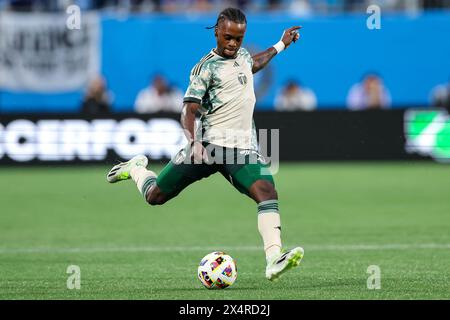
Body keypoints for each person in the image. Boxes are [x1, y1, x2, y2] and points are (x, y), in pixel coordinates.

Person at [107, 8, 304, 281]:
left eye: (239, 38)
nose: (233, 43)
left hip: (241, 149)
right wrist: (193, 142)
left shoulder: (243, 56)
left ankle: (273, 260)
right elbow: (188, 110)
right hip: (208, 148)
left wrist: (281, 44)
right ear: (217, 33)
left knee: (267, 192)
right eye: (228, 37)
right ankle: (137, 168)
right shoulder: (205, 69)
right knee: (155, 197)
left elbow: (254, 63)